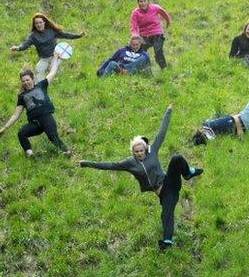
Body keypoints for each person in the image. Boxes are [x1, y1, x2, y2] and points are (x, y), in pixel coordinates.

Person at [79, 104, 203, 251]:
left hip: (169, 182)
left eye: (141, 150)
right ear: (133, 151)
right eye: (136, 151)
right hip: (163, 194)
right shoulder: (129, 163)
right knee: (166, 214)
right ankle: (167, 242)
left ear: (145, 148)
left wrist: (168, 111)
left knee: (176, 158)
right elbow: (109, 165)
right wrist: (86, 163)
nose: (139, 153)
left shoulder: (153, 151)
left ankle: (188, 172)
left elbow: (161, 133)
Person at [0, 53, 69, 156]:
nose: (26, 82)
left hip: (46, 118)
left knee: (52, 137)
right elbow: (16, 115)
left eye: (27, 80)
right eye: (23, 81)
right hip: (35, 123)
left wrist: (55, 58)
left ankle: (67, 152)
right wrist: (4, 128)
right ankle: (30, 154)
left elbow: (53, 71)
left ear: (32, 79)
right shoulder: (22, 96)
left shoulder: (42, 85)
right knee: (21, 133)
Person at [10, 13, 85, 81]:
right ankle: (41, 88)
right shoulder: (33, 36)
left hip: (56, 56)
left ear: (44, 22)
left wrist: (78, 35)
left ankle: (56, 75)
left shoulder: (51, 31)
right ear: (34, 25)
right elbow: (25, 44)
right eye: (36, 23)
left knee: (52, 68)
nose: (39, 25)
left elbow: (66, 35)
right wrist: (18, 48)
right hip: (44, 59)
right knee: (38, 69)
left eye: (40, 22)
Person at [130, 0, 172, 70]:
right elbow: (134, 27)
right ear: (138, 3)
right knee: (141, 52)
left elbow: (164, 13)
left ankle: (164, 68)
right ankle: (146, 69)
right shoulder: (135, 13)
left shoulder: (155, 8)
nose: (143, 3)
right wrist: (135, 36)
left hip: (157, 33)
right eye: (141, 1)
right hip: (144, 36)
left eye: (144, 1)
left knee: (158, 50)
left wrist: (168, 21)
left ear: (148, 1)